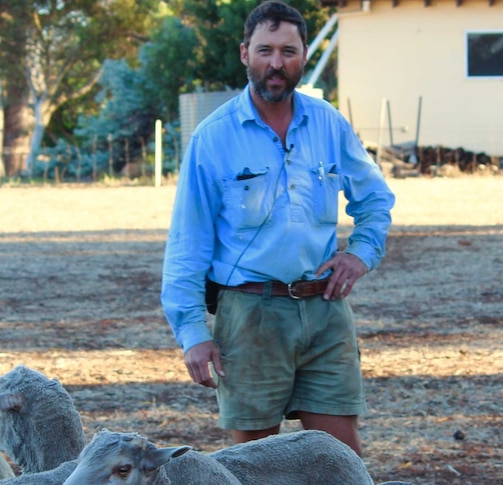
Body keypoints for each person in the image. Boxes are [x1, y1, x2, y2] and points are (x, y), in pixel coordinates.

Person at [160, 0, 394, 456]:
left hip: (325, 311)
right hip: (250, 316)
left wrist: (361, 253)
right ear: (245, 53)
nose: (276, 63)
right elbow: (187, 242)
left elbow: (376, 197)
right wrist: (193, 333)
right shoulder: (214, 136)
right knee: (254, 463)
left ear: (304, 55)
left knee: (340, 458)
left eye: (288, 51)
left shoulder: (328, 121)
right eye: (265, 50)